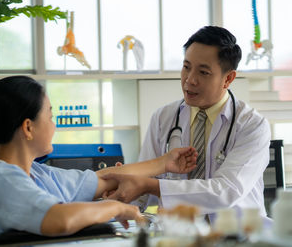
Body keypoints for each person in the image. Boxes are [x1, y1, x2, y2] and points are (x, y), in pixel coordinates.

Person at [0, 75, 198, 243]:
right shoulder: (2, 181)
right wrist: (115, 207)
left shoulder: (36, 173)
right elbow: (59, 220)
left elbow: (103, 178)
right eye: (50, 117)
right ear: (28, 128)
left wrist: (164, 163)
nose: (54, 126)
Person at [102, 26, 271, 223]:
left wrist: (146, 185)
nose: (189, 80)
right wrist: (121, 192)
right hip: (177, 234)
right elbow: (142, 191)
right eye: (186, 67)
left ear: (228, 78)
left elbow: (227, 191)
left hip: (237, 235)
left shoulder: (252, 125)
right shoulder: (163, 118)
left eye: (204, 72)